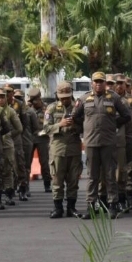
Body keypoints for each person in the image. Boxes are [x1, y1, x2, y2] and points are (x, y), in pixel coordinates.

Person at [72, 72, 131, 219]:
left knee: (110, 174)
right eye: (96, 82)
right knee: (92, 176)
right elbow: (75, 116)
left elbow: (126, 115)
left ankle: (112, 205)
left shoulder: (114, 98)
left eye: (101, 82)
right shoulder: (84, 99)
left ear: (105, 83)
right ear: (92, 83)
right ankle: (92, 206)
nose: (98, 84)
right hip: (91, 142)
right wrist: (85, 128)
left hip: (108, 142)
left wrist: (113, 125)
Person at [42, 82, 83, 218]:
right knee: (57, 180)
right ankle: (57, 207)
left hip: (74, 148)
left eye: (67, 96)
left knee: (73, 180)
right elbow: (46, 128)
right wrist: (60, 124)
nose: (65, 99)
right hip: (58, 149)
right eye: (62, 97)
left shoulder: (77, 108)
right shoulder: (52, 108)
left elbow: (85, 127)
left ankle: (71, 207)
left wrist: (75, 125)